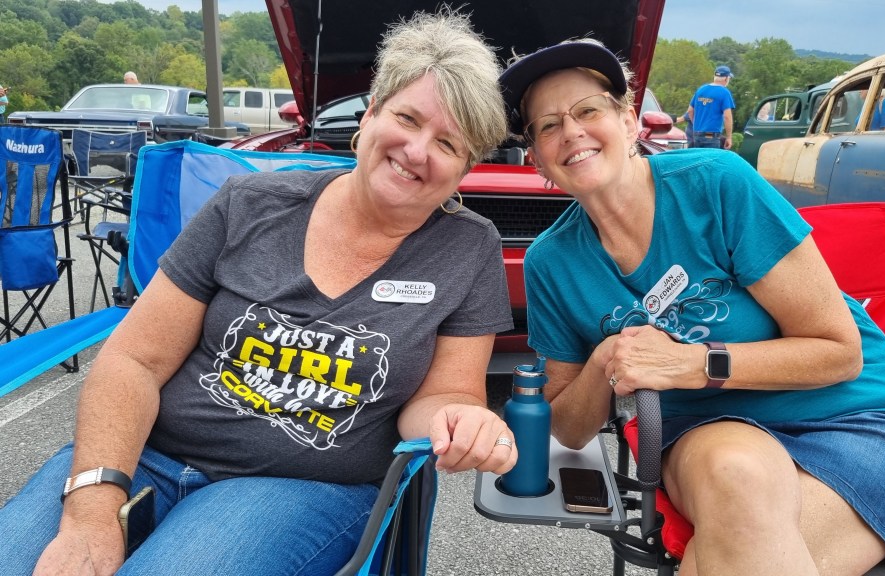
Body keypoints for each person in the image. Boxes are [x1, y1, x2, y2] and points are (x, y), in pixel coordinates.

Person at [0, 9, 517, 575]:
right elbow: (135, 360)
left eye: (447, 143)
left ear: (466, 166)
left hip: (297, 486)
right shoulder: (248, 205)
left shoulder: (467, 248)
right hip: (146, 453)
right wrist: (92, 511)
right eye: (407, 118)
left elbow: (446, 395)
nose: (417, 151)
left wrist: (461, 420)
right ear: (370, 113)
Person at [500, 39, 885, 575]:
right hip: (710, 430)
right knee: (736, 475)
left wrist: (693, 363)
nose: (571, 131)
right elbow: (567, 429)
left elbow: (840, 353)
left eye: (588, 110)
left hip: (853, 415)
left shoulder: (715, 183)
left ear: (629, 121)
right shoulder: (551, 262)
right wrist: (606, 358)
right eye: (548, 126)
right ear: (537, 158)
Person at [686, 65, 736, 149]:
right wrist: (729, 137)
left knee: (699, 157)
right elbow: (727, 117)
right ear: (726, 78)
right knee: (710, 157)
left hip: (697, 134)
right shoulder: (724, 92)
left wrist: (697, 126)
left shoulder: (701, 89)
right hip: (711, 136)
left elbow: (690, 111)